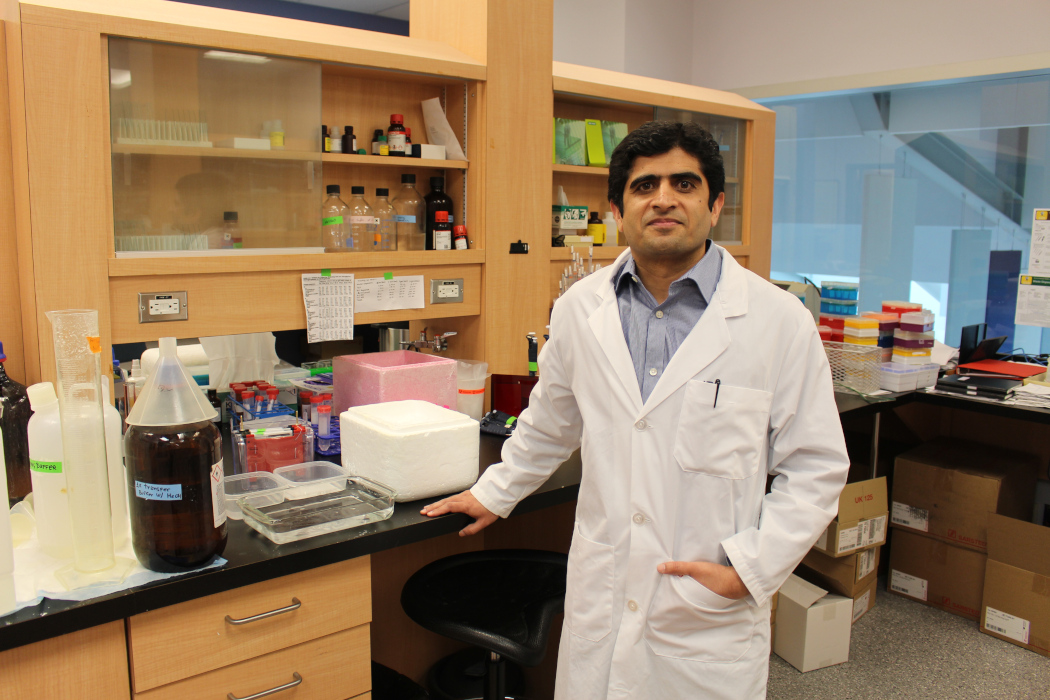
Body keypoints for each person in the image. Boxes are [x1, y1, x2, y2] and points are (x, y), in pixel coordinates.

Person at [422, 120, 849, 699]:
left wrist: (751, 568)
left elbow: (816, 466)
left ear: (715, 203)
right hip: (606, 584)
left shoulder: (777, 321)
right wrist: (495, 492)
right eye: (644, 186)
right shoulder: (580, 307)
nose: (664, 199)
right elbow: (551, 419)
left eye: (685, 184)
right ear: (618, 211)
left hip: (704, 604)